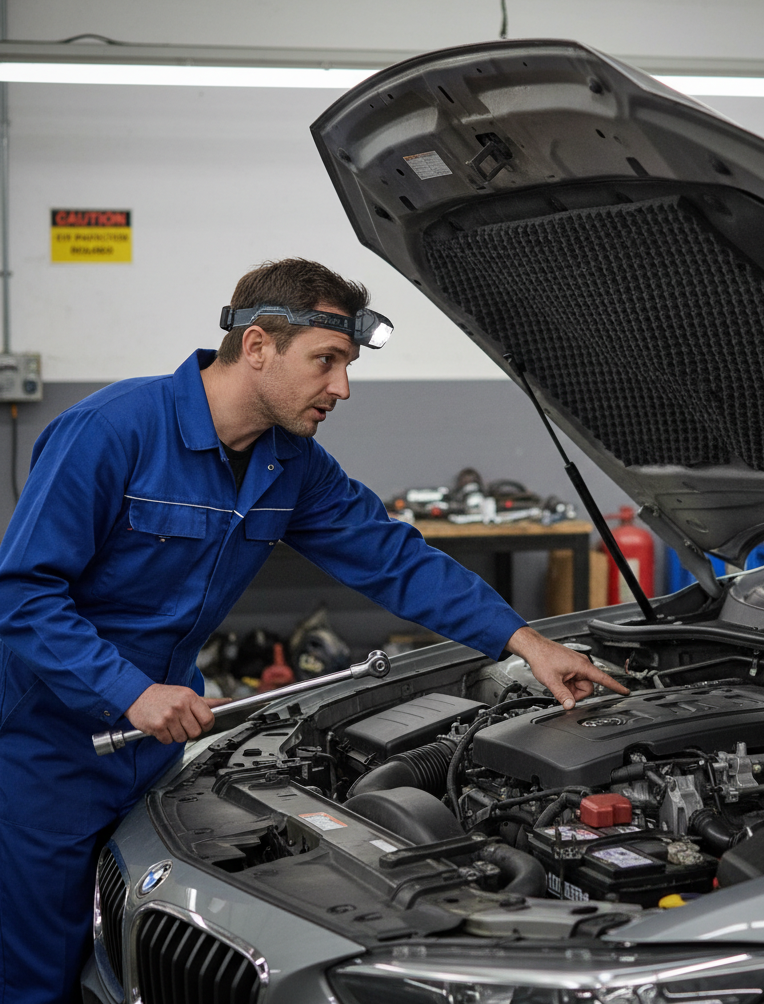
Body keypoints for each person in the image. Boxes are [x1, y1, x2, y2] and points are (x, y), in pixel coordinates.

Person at [0, 258, 627, 1003]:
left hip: (161, 743)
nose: (343, 387)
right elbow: (21, 594)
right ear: (257, 346)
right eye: (326, 361)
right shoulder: (112, 431)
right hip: (51, 746)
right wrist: (131, 693)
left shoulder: (289, 463)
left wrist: (526, 642)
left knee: (126, 954)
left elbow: (394, 558)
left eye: (347, 364)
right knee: (39, 972)